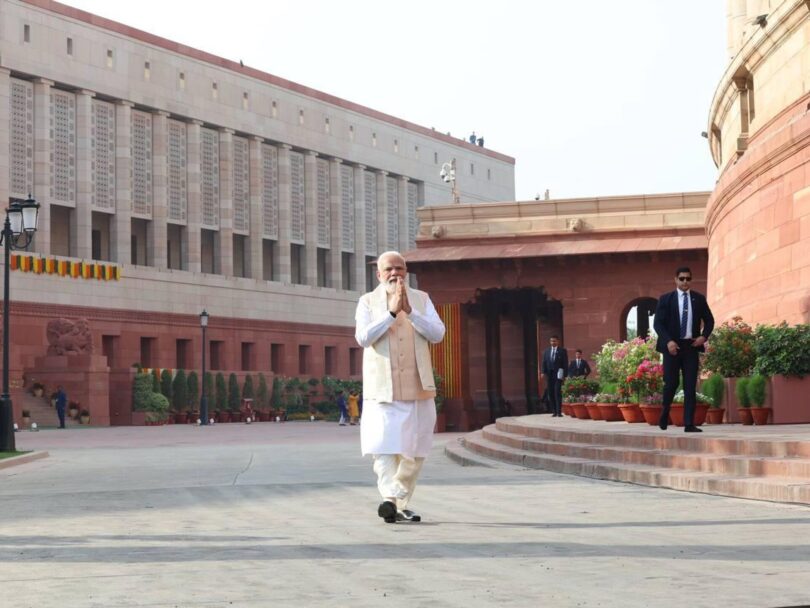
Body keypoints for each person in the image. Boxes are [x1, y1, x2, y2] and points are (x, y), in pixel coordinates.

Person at [355, 251, 445, 524]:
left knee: (415, 450)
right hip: (383, 389)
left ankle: (396, 501)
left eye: (400, 269)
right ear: (379, 274)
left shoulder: (422, 299)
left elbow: (438, 334)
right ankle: (391, 499)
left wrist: (411, 312)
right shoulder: (367, 302)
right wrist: (391, 313)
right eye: (389, 269)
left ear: (406, 272)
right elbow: (363, 337)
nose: (395, 274)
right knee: (383, 447)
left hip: (418, 387)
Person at [653, 266, 715, 433]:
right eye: (682, 278)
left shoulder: (699, 299)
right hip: (672, 347)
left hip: (690, 347)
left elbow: (709, 321)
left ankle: (689, 423)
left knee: (689, 386)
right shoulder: (666, 299)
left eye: (688, 278)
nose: (685, 281)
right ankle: (664, 413)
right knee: (671, 384)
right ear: (676, 280)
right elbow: (658, 323)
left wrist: (704, 336)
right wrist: (668, 342)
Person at [541, 335, 568, 417]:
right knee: (550, 393)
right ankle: (554, 411)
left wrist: (565, 375)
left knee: (557, 392)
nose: (553, 342)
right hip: (549, 375)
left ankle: (559, 412)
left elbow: (565, 363)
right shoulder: (546, 351)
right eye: (552, 341)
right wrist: (543, 372)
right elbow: (544, 362)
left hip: (558, 375)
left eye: (555, 341)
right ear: (550, 342)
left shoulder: (562, 351)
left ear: (558, 341)